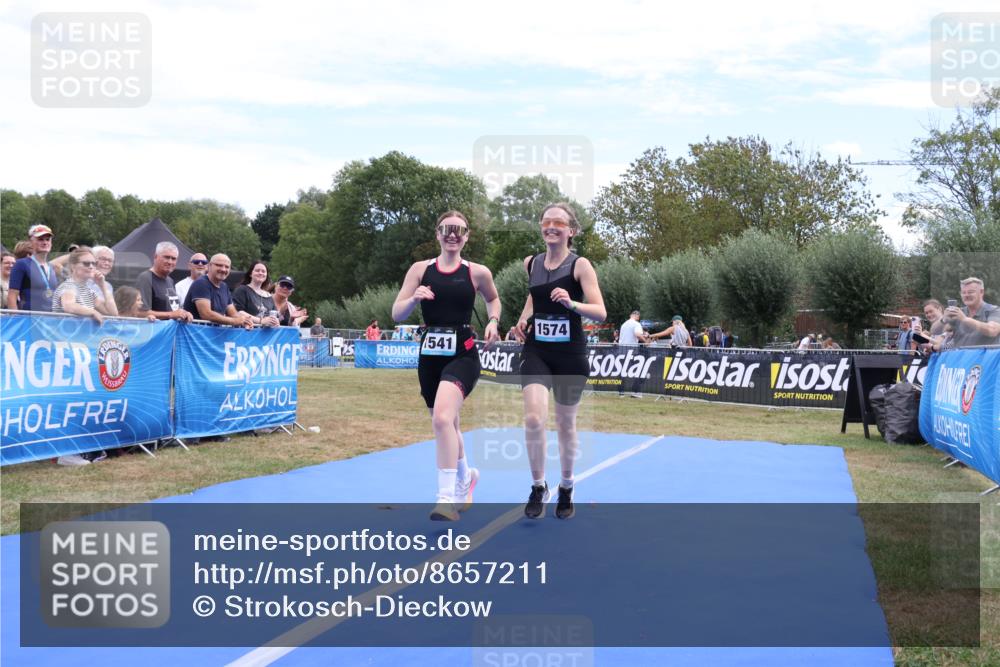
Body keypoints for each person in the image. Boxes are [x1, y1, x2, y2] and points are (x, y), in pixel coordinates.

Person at [392, 210, 501, 521]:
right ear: (437, 234)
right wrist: (414, 299)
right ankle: (466, 476)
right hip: (430, 357)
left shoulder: (477, 272)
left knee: (441, 419)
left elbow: (493, 300)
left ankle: (445, 498)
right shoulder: (420, 269)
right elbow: (397, 313)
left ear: (466, 237)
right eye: (447, 229)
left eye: (459, 230)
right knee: (448, 424)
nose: (453, 234)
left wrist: (493, 321)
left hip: (463, 354)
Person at [512, 203, 606, 520]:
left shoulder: (580, 266)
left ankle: (567, 485)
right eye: (546, 221)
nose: (551, 226)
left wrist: (572, 303)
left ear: (571, 231)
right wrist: (523, 320)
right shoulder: (532, 263)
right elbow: (532, 297)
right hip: (537, 350)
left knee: (565, 424)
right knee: (534, 419)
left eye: (558, 222)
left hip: (570, 354)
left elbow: (600, 311)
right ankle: (538, 486)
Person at [183, 254, 254, 328]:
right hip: (195, 336)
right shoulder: (201, 283)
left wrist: (246, 321)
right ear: (209, 266)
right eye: (219, 265)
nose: (223, 269)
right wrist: (234, 321)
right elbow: (206, 314)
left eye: (227, 267)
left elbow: (233, 313)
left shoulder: (224, 286)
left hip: (212, 336)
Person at [51, 246, 115, 324]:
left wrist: (103, 286)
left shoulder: (89, 291)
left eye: (94, 263)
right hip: (63, 334)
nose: (91, 266)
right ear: (73, 266)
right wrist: (93, 312)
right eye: (86, 263)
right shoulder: (69, 286)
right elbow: (69, 306)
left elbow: (112, 313)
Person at [136, 242, 193, 322]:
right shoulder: (145, 278)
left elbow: (174, 309)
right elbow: (140, 313)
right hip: (154, 332)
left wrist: (184, 313)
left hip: (170, 332)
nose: (170, 262)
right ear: (155, 256)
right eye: (166, 257)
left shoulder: (170, 280)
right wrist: (171, 315)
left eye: (173, 259)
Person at [7, 224, 59, 311]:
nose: (45, 242)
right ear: (31, 242)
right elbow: (12, 296)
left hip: (49, 320)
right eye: (40, 239)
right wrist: (15, 320)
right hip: (29, 319)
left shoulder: (51, 268)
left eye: (48, 239)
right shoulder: (21, 264)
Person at [944, 277, 1000, 348]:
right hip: (960, 357)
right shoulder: (958, 312)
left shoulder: (994, 310)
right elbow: (937, 332)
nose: (966, 295)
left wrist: (965, 319)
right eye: (963, 292)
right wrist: (943, 320)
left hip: (985, 358)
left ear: (981, 292)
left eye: (971, 292)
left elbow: (992, 330)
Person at [232, 261, 280, 327]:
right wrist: (260, 321)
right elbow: (237, 312)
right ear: (250, 274)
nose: (260, 273)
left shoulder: (269, 296)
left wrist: (276, 321)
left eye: (263, 271)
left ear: (266, 275)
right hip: (247, 332)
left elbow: (275, 315)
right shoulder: (242, 290)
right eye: (257, 270)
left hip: (266, 335)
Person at [617, 310, 648, 398]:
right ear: (637, 316)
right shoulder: (636, 324)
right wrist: (645, 341)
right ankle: (636, 392)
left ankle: (621, 392)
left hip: (622, 350)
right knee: (638, 370)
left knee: (622, 371)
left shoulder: (623, 324)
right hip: (632, 351)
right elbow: (637, 334)